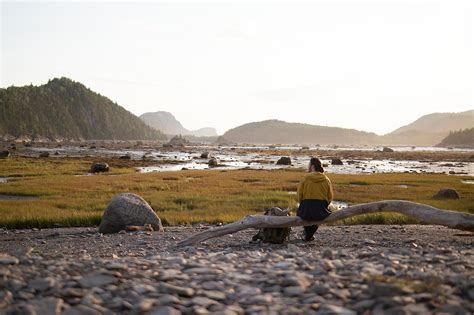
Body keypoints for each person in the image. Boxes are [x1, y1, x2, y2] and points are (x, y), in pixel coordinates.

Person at [297, 157, 333, 241]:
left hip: (306, 207)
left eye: (309, 165)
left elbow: (299, 195)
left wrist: (301, 204)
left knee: (303, 214)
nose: (308, 167)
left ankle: (308, 235)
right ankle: (309, 235)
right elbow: (330, 197)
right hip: (321, 208)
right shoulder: (326, 179)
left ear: (312, 166)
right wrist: (325, 205)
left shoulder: (305, 178)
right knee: (320, 216)